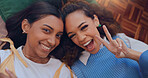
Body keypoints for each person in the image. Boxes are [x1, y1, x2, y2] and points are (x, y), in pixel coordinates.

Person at [61, 0, 148, 78]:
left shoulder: (121, 39)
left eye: (83, 27)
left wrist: (129, 54)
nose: (81, 38)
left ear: (95, 20)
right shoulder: (78, 69)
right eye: (72, 35)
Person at [0, 1, 74, 78]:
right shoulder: (3, 58)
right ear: (26, 26)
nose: (52, 42)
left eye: (58, 35)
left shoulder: (61, 72)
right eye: (46, 30)